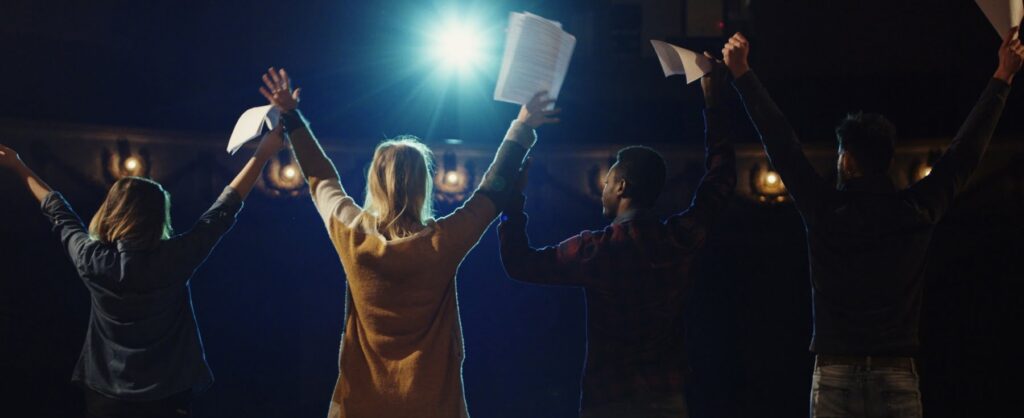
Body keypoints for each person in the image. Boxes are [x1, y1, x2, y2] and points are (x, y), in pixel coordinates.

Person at [721, 22, 1024, 418]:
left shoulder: (824, 210)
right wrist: (1003, 76)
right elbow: (964, 154)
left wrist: (743, 74)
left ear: (846, 159)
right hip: (895, 373)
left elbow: (781, 143)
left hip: (835, 373)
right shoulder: (916, 210)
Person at [256, 67, 559, 418]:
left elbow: (320, 176)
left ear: (374, 181)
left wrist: (291, 116)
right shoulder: (442, 242)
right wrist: (523, 124)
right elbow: (491, 190)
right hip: (431, 406)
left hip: (361, 406)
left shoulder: (350, 232)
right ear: (423, 186)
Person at [496, 62, 737, 417]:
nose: (603, 189)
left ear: (622, 186)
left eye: (608, 182)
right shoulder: (680, 239)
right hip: (667, 398)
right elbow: (721, 178)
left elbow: (519, 263)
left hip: (609, 400)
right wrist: (714, 101)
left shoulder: (595, 251)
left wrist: (513, 200)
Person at [0, 126, 286, 417]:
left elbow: (58, 211)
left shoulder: (91, 259)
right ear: (158, 217)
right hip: (168, 395)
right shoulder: (175, 257)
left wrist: (18, 166)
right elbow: (224, 209)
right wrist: (262, 155)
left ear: (112, 211)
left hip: (106, 396)